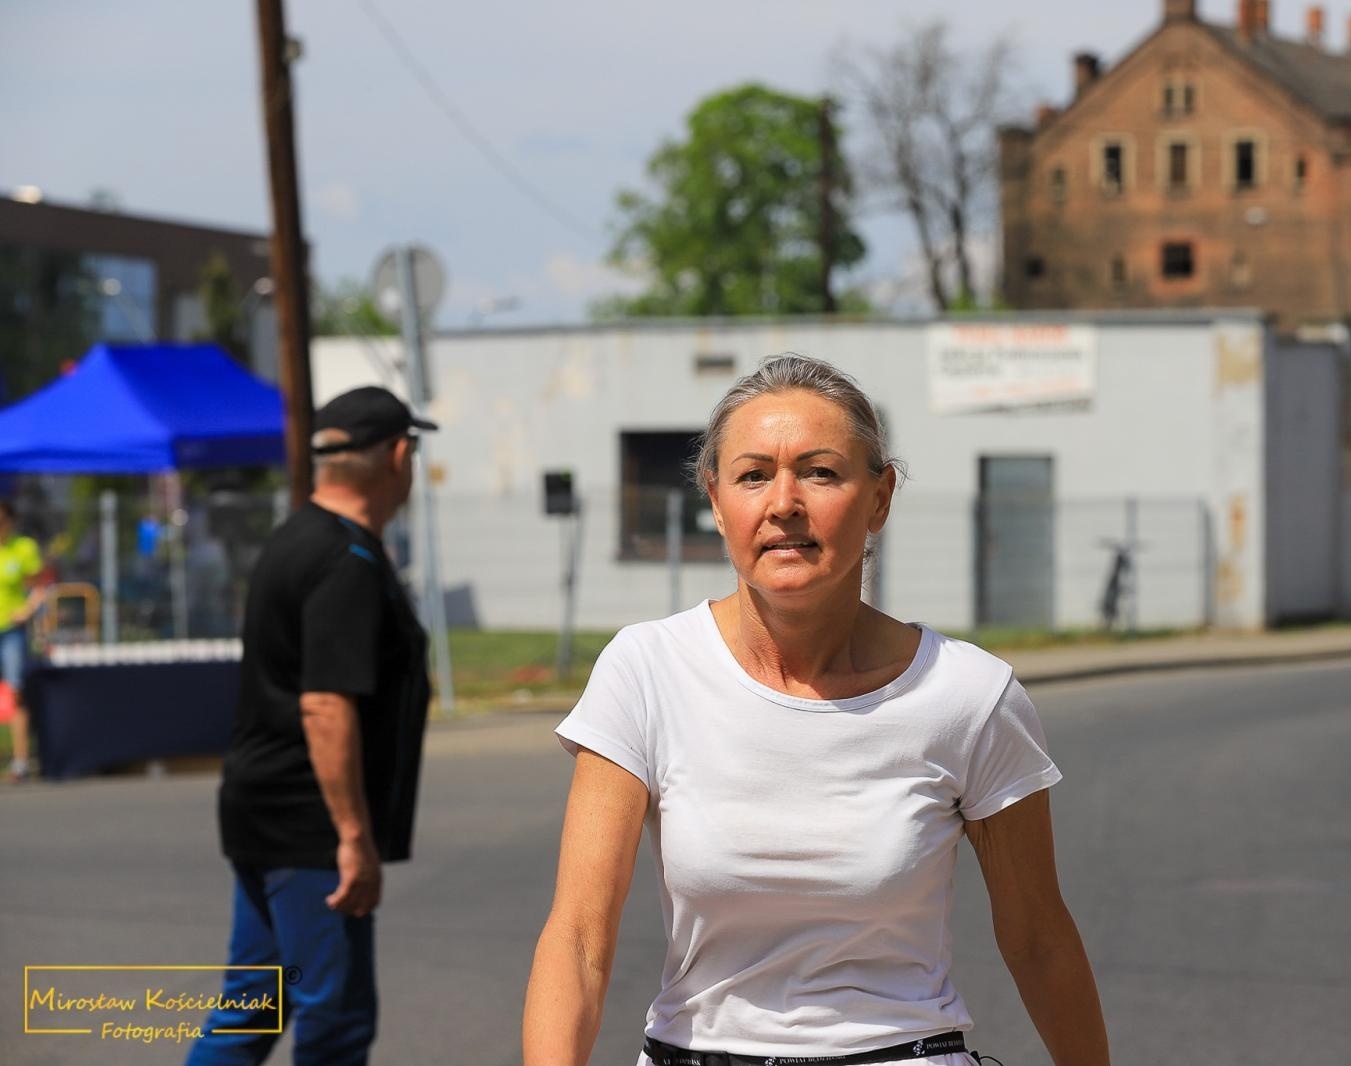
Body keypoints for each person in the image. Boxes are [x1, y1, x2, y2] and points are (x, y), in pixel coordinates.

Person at [525, 355, 1109, 1066]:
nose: (783, 503)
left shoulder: (968, 697)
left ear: (880, 497)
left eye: (821, 472)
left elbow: (1039, 940)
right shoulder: (646, 670)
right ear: (715, 500)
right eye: (752, 475)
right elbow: (579, 939)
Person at [187, 386, 436, 1066]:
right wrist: (352, 836)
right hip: (307, 826)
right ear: (399, 454)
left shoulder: (302, 538)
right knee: (336, 1020)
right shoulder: (342, 561)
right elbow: (325, 704)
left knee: (253, 1005)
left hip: (266, 809)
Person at [0, 500, 46, 782]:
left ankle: (20, 762)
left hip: (11, 630)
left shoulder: (23, 548)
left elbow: (40, 587)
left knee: (15, 693)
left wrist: (27, 611)